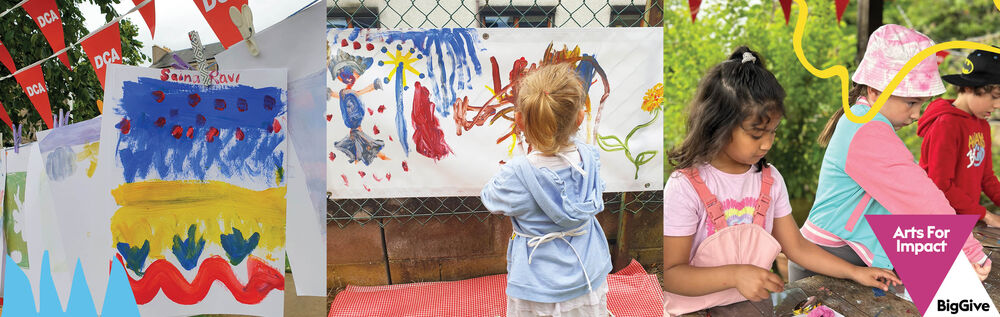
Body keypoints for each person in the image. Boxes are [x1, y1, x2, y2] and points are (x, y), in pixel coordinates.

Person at [663, 46, 899, 316]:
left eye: (773, 131)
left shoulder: (770, 179)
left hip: (753, 308)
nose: (766, 144)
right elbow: (672, 275)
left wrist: (855, 272)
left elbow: (796, 247)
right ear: (718, 124)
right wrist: (736, 276)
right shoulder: (686, 186)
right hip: (694, 311)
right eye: (756, 134)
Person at [792, 24, 991, 282]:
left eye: (922, 103)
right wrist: (969, 251)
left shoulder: (865, 119)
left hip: (846, 250)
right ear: (875, 91)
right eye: (911, 102)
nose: (917, 114)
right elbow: (921, 200)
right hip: (827, 259)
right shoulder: (867, 128)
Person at [481, 63, 613, 317]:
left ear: (519, 120)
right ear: (579, 118)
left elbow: (491, 199)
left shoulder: (517, 174)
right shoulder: (590, 158)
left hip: (536, 286)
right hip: (587, 277)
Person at [918, 48, 1000, 227]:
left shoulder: (982, 125)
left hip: (964, 219)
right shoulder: (946, 125)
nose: (998, 105)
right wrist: (985, 215)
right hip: (935, 221)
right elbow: (940, 183)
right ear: (969, 88)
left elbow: (987, 178)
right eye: (994, 97)